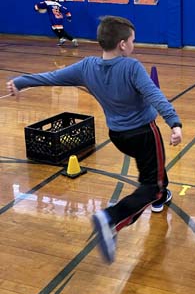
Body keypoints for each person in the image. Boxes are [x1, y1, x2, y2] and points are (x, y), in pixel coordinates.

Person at [7, 16, 183, 264]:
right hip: (143, 133)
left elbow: (52, 77)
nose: (134, 44)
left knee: (153, 167)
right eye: (132, 40)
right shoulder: (131, 67)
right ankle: (111, 217)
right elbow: (154, 94)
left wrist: (21, 82)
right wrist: (174, 122)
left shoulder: (87, 67)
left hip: (118, 136)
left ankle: (161, 194)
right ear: (122, 44)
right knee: (150, 185)